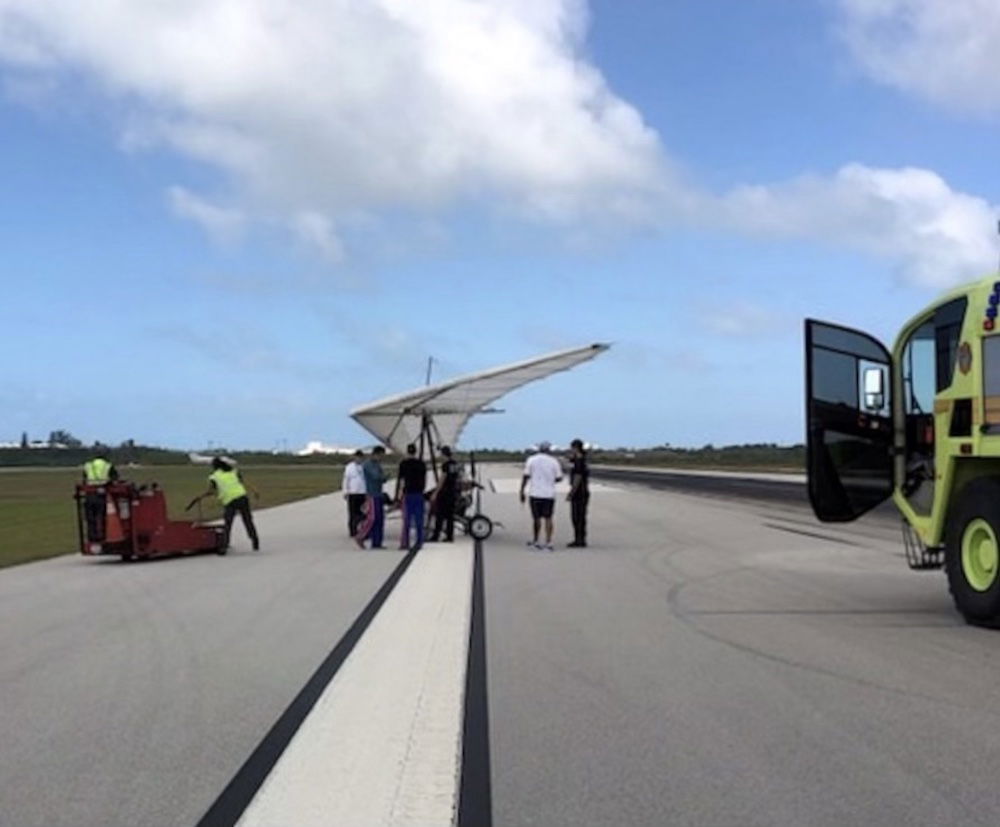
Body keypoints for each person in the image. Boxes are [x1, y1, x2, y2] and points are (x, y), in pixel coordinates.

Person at [189, 457, 260, 551]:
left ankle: (224, 546)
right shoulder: (233, 471)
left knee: (228, 524)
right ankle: (255, 540)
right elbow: (243, 483)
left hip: (230, 501)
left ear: (214, 466)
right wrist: (254, 491)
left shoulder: (214, 476)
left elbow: (211, 491)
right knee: (247, 520)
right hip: (243, 498)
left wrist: (200, 497)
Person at [519, 441, 563, 551]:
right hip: (549, 494)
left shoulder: (531, 460)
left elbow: (526, 476)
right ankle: (548, 542)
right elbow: (559, 478)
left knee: (536, 518)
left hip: (535, 493)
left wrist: (522, 491)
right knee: (548, 518)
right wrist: (550, 479)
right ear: (549, 449)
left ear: (539, 449)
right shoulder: (554, 461)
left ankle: (536, 540)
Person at [81, 447, 119, 541]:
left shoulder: (88, 465)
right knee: (101, 517)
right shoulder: (107, 465)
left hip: (89, 494)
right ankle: (102, 536)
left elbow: (84, 480)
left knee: (90, 518)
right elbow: (114, 479)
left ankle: (92, 537)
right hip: (102, 495)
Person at [394, 443, 427, 551]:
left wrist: (398, 496)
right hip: (419, 493)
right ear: (416, 451)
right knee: (419, 519)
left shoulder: (403, 464)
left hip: (408, 494)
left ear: (407, 452)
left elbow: (401, 481)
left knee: (407, 519)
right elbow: (424, 479)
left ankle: (405, 543)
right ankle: (419, 542)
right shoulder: (421, 464)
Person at [355, 445, 387, 549]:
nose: (382, 458)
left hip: (379, 493)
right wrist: (383, 476)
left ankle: (377, 542)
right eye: (381, 455)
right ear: (376, 454)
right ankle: (361, 536)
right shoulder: (368, 465)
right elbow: (376, 476)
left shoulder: (377, 464)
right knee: (372, 518)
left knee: (380, 519)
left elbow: (381, 477)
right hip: (372, 494)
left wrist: (383, 477)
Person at [429, 445, 459, 542]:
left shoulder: (445, 465)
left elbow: (443, 479)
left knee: (440, 515)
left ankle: (435, 536)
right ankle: (450, 536)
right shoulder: (455, 464)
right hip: (452, 491)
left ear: (444, 454)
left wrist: (436, 492)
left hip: (445, 492)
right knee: (450, 516)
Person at [566, 438, 590, 547]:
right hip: (583, 491)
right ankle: (580, 538)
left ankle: (579, 539)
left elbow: (578, 477)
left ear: (575, 448)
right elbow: (569, 461)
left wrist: (571, 492)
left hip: (579, 492)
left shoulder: (579, 461)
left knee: (577, 516)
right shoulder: (580, 459)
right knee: (580, 516)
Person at [342, 449, 366, 536]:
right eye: (357, 457)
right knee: (352, 513)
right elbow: (346, 480)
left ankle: (362, 530)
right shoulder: (349, 467)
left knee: (363, 513)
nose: (359, 459)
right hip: (353, 493)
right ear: (355, 457)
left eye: (360, 458)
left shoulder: (364, 467)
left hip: (363, 493)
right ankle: (352, 531)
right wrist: (345, 491)